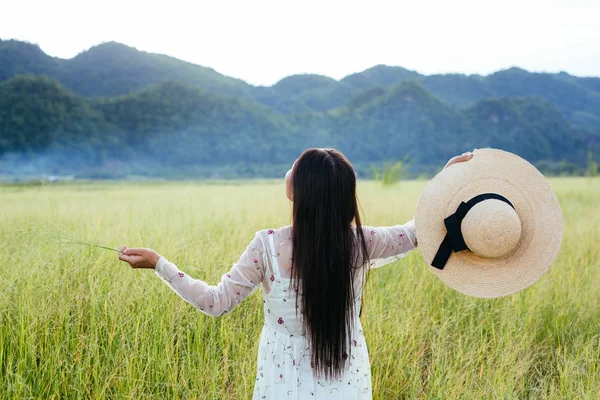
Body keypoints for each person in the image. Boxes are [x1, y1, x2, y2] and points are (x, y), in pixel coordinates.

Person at [118, 148, 473, 399]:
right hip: (343, 371)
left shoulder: (267, 246)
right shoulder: (361, 243)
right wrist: (442, 181)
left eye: (294, 169)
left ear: (297, 192)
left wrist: (159, 264)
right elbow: (416, 231)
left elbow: (215, 303)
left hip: (280, 376)